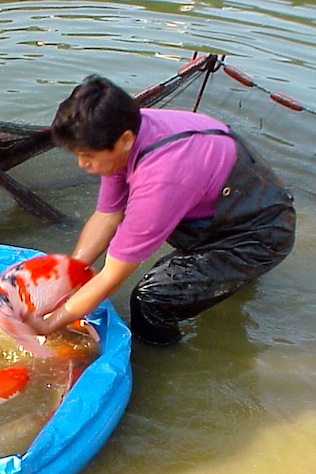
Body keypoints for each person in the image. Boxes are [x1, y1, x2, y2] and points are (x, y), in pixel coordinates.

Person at [27, 75, 296, 345]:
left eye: (88, 156)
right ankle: (226, 284)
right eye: (78, 154)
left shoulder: (161, 178)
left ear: (124, 141)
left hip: (259, 234)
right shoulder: (119, 129)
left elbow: (112, 275)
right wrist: (70, 276)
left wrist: (50, 323)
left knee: (151, 300)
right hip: (228, 203)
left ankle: (165, 358)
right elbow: (108, 216)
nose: (82, 164)